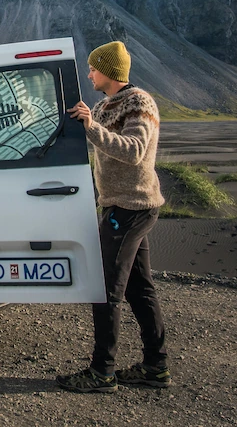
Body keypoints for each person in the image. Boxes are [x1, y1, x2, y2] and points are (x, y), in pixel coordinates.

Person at [57, 40, 170, 393]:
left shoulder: (139, 103)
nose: (88, 73)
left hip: (132, 206)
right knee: (140, 289)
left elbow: (135, 151)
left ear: (108, 70)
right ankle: (156, 366)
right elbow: (99, 135)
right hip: (121, 204)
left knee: (106, 289)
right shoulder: (105, 104)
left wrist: (91, 128)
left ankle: (102, 371)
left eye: (93, 68)